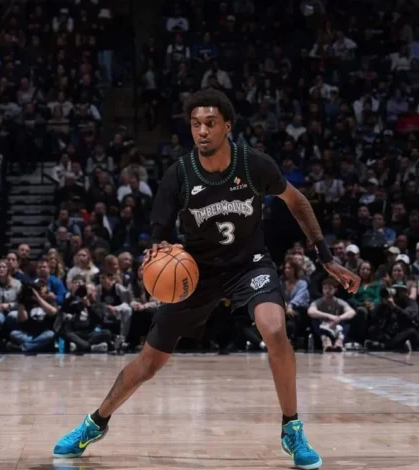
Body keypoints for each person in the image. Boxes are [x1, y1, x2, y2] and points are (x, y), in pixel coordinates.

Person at [53, 89, 360, 470]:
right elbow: (159, 233)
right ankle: (95, 423)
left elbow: (298, 202)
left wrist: (326, 257)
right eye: (196, 124)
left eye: (210, 123)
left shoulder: (254, 164)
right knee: (149, 363)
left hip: (249, 264)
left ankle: (291, 427)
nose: (201, 131)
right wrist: (156, 253)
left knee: (274, 329)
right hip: (196, 272)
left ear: (227, 126)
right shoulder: (179, 173)